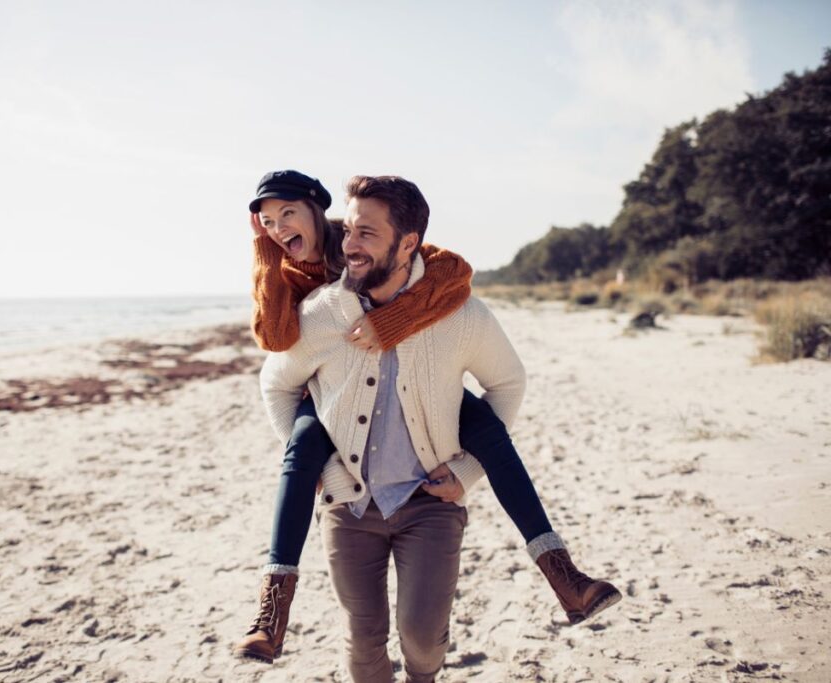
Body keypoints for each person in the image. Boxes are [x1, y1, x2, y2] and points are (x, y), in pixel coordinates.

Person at [236, 171, 620, 666]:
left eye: (289, 213)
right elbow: (273, 352)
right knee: (304, 451)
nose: (352, 243)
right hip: (343, 461)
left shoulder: (445, 300)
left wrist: (464, 471)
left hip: (427, 475)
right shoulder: (313, 296)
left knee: (487, 433)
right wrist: (266, 253)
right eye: (268, 220)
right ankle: (273, 606)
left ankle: (562, 572)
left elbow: (454, 274)